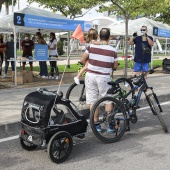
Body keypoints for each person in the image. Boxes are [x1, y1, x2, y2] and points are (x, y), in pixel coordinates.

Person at [80, 28, 118, 132]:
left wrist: (92, 65)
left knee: (92, 101)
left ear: (99, 36)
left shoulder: (91, 46)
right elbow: (114, 67)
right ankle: (110, 126)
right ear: (109, 37)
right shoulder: (113, 50)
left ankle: (96, 125)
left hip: (90, 76)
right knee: (108, 100)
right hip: (104, 77)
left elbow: (82, 60)